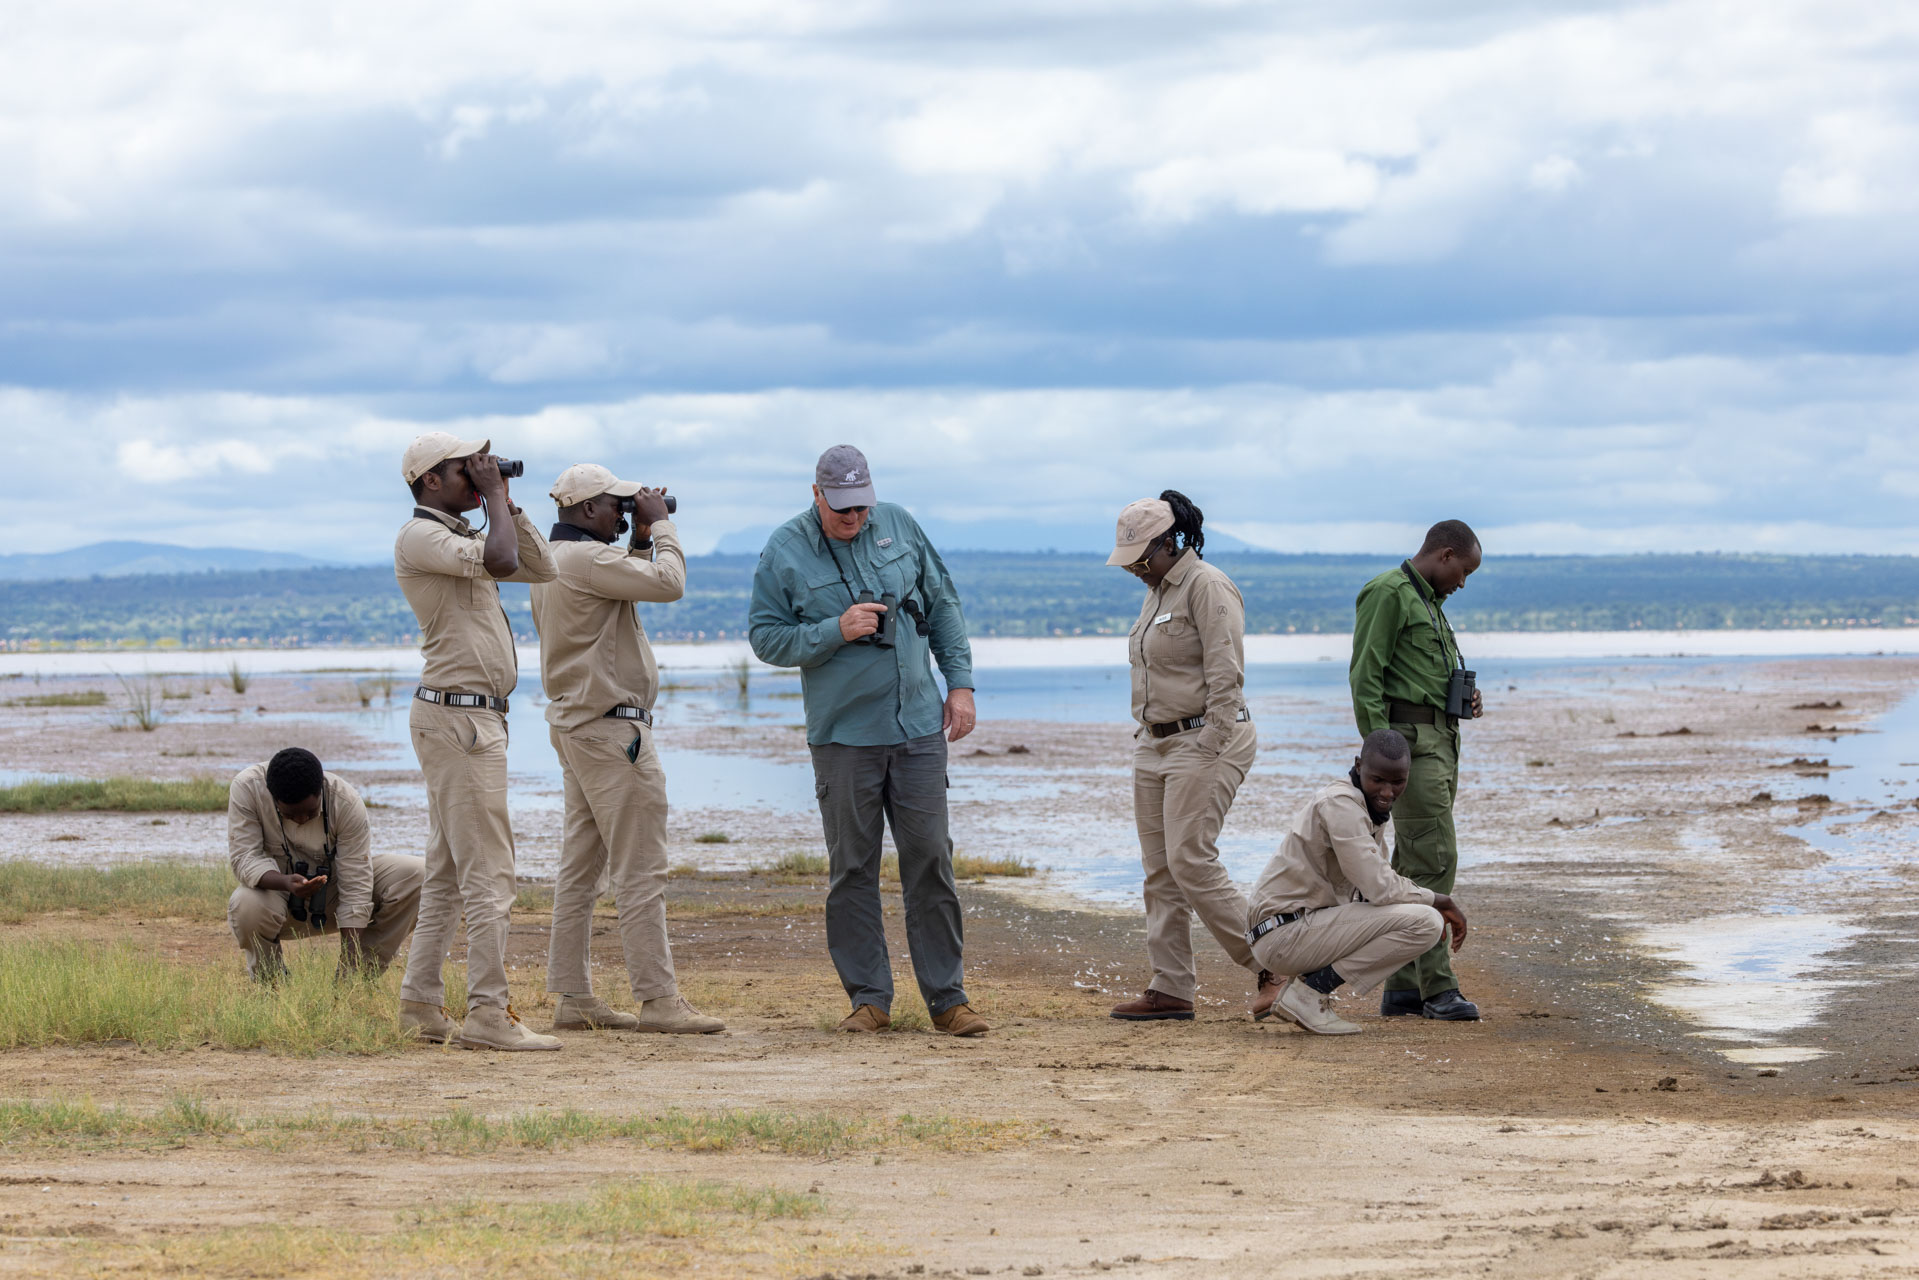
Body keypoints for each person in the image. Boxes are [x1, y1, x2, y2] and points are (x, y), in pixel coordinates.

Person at [747, 444, 988, 1037]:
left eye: (861, 507)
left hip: (917, 728)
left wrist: (960, 685)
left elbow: (945, 603)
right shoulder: (784, 550)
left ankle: (948, 1001)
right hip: (843, 737)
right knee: (852, 867)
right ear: (816, 495)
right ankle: (869, 999)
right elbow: (765, 637)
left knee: (931, 857)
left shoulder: (900, 525)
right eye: (841, 509)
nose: (853, 519)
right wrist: (835, 629)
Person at [530, 463, 723, 1036]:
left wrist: (636, 537)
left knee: (581, 868)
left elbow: (624, 582)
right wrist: (660, 527)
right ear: (587, 509)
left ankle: (571, 993)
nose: (623, 513)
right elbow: (669, 584)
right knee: (641, 869)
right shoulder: (589, 560)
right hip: (615, 734)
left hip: (576, 727)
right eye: (615, 505)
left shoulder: (552, 559)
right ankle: (658, 998)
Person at [394, 431, 560, 1051]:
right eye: (466, 468)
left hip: (472, 719)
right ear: (430, 481)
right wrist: (491, 498)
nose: (478, 473)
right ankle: (489, 1013)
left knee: (445, 872)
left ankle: (420, 1003)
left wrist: (505, 500)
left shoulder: (465, 532)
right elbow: (498, 561)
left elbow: (541, 566)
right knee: (490, 871)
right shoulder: (422, 535)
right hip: (457, 721)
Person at [1103, 493, 1282, 1023]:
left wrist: (1210, 745)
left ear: (1170, 542)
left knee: (1190, 860)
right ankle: (1171, 988)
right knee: (1159, 870)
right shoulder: (1154, 592)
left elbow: (1226, 676)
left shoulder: (1208, 585)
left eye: (1141, 557)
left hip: (1207, 739)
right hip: (1154, 743)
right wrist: (1148, 740)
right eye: (1129, 560)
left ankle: (1274, 964)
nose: (1134, 568)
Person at [1245, 730, 1470, 1035]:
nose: (1388, 792)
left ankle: (1305, 993)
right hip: (1284, 935)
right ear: (1358, 766)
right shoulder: (1340, 804)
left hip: (1293, 930)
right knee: (1427, 921)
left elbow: (1371, 894)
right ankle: (1309, 996)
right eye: (1378, 780)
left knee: (1418, 919)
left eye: (1398, 782)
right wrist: (1440, 900)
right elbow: (1381, 887)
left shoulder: (1365, 808)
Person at [1349, 519, 1485, 1021]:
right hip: (1410, 750)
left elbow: (1417, 675)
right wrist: (1380, 762)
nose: (1463, 582)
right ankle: (1437, 988)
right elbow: (1366, 677)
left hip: (1439, 743)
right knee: (1435, 859)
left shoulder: (1429, 603)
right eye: (1464, 570)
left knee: (1410, 864)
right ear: (1445, 555)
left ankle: (1403, 987)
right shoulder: (1388, 593)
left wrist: (1462, 697)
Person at [226, 748, 424, 981]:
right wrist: (286, 882)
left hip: (334, 892)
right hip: (279, 895)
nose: (301, 820)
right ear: (272, 797)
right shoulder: (247, 788)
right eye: (290, 814)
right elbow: (244, 858)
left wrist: (350, 968)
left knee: (419, 875)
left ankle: (358, 977)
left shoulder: (345, 801)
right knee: (244, 904)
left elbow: (356, 884)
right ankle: (271, 984)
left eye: (310, 813)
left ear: (320, 790)